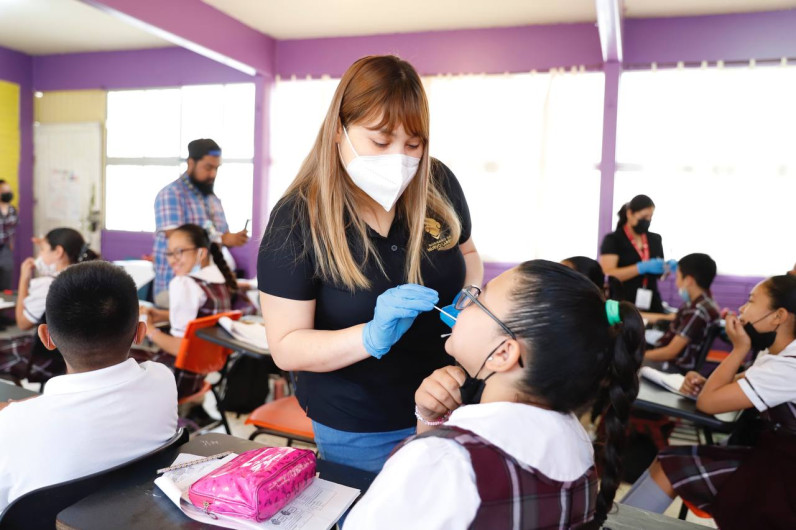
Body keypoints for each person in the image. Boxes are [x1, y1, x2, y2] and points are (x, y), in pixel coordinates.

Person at [257, 55, 482, 472]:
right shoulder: (297, 218)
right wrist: (369, 337)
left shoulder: (439, 183)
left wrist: (469, 296)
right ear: (338, 132)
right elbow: (286, 346)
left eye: (413, 145)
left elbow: (467, 254)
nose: (400, 159)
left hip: (450, 401)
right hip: (360, 423)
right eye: (380, 142)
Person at [344, 260, 645, 529]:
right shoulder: (577, 443)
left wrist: (433, 444)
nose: (462, 304)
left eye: (478, 299)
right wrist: (430, 421)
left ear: (503, 353)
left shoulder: (444, 462)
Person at [622, 275, 796, 530]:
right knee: (667, 461)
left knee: (672, 467)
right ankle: (616, 522)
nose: (742, 310)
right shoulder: (775, 353)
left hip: (783, 475)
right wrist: (704, 381)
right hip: (770, 454)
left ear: (778, 316)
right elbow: (728, 386)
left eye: (750, 301)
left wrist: (738, 349)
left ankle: (618, 524)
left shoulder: (788, 366)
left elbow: (709, 404)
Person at [0, 261, 178, 510]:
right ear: (139, 333)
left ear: (45, 337)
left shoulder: (10, 429)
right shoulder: (162, 380)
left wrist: (15, 413)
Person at [139, 224, 238, 409]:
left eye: (179, 252)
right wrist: (160, 314)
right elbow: (199, 321)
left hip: (177, 381)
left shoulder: (184, 283)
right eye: (169, 253)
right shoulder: (219, 281)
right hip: (201, 376)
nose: (172, 260)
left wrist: (149, 330)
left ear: (201, 253)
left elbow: (179, 348)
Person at [153, 139, 249, 308]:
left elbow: (220, 239)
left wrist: (233, 239)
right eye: (208, 167)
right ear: (191, 163)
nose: (213, 174)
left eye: (216, 168)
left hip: (208, 286)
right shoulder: (171, 195)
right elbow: (177, 238)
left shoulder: (213, 199)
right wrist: (223, 239)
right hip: (175, 288)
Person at [0, 228, 97, 381]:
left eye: (43, 249)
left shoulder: (49, 285)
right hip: (79, 357)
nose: (40, 255)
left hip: (47, 360)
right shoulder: (88, 278)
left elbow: (23, 323)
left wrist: (24, 278)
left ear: (58, 252)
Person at [599, 195, 675, 315]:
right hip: (623, 302)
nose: (647, 221)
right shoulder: (613, 239)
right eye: (644, 217)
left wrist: (667, 268)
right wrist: (640, 268)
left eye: (650, 217)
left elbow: (660, 275)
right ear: (630, 213)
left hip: (652, 301)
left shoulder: (655, 239)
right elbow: (608, 274)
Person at [644, 253, 720, 373]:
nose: (676, 283)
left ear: (689, 280)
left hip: (672, 368)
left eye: (678, 277)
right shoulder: (702, 302)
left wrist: (638, 357)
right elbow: (670, 318)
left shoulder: (697, 311)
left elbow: (670, 352)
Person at [0, 180, 18, 290]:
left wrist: (11, 245)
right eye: (4, 190)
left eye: (9, 190)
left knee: (6, 283)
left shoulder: (12, 210)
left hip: (5, 250)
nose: (8, 193)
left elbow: (12, 230)